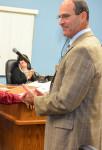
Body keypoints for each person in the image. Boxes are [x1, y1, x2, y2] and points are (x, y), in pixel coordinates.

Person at [22, 0, 102, 149]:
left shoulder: (82, 49)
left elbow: (66, 102)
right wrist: (45, 97)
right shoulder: (91, 43)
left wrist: (36, 101)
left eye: (65, 16)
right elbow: (76, 94)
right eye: (59, 17)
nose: (60, 22)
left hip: (72, 138)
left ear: (83, 16)